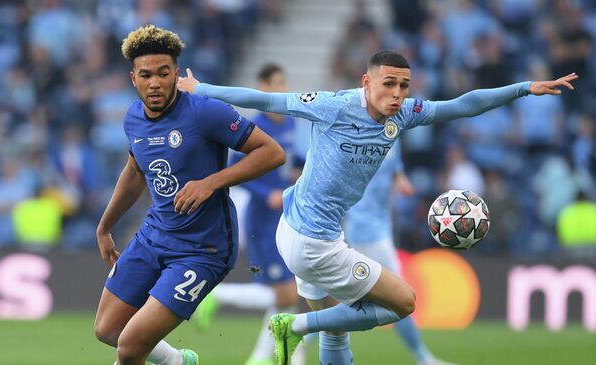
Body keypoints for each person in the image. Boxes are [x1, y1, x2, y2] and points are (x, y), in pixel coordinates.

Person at [178, 50, 577, 365]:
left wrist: (525, 87)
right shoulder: (333, 105)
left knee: (337, 332)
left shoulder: (403, 115)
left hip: (308, 230)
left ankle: (305, 326)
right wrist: (202, 89)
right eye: (389, 84)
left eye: (404, 85)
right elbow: (265, 99)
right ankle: (295, 325)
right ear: (367, 82)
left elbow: (463, 104)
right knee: (402, 303)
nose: (398, 94)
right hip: (313, 243)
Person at [93, 25, 286, 365]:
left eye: (164, 74)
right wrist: (105, 226)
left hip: (202, 249)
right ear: (133, 78)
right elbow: (135, 172)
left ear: (176, 74)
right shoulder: (133, 118)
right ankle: (178, 361)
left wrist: (211, 182)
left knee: (130, 347)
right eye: (146, 75)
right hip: (154, 236)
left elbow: (271, 153)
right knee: (108, 331)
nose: (155, 83)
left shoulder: (204, 111)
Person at [193, 63, 306, 365]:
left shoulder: (291, 123)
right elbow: (235, 170)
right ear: (262, 88)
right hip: (261, 218)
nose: (280, 88)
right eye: (274, 83)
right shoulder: (255, 127)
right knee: (286, 294)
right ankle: (220, 296)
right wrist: (264, 193)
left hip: (286, 216)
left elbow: (298, 159)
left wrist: (299, 171)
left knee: (290, 293)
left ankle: (266, 357)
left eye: (283, 82)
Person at [344, 140, 456, 365]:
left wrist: (401, 181)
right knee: (400, 300)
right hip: (366, 232)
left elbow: (395, 170)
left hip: (380, 230)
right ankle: (423, 358)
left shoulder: (391, 133)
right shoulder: (357, 134)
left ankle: (301, 335)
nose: (396, 102)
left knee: (346, 299)